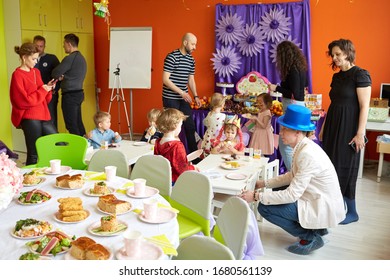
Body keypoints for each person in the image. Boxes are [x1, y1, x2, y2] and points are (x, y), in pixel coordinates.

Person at [240, 104, 345, 255]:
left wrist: (256, 196)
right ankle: (317, 229)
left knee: (265, 207)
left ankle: (310, 236)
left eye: (284, 129)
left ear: (297, 132)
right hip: (319, 199)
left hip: (320, 203)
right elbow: (292, 175)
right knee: (273, 195)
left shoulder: (306, 154)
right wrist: (264, 183)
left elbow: (292, 195)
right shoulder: (304, 146)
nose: (280, 133)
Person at [320, 39, 371, 225]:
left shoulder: (361, 74)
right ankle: (337, 207)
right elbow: (333, 103)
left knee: (347, 167)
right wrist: (324, 127)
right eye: (332, 55)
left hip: (349, 127)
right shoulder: (337, 77)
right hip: (333, 125)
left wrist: (360, 133)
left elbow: (365, 106)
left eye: (338, 54)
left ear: (348, 53)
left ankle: (353, 211)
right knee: (331, 166)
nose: (334, 58)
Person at [9, 42, 57, 165]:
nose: (36, 61)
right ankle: (29, 181)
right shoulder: (17, 75)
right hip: (29, 117)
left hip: (43, 114)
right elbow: (23, 101)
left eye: (37, 58)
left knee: (58, 143)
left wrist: (48, 88)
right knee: (34, 153)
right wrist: (43, 90)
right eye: (33, 59)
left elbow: (44, 98)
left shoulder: (36, 72)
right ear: (24, 57)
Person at [268, 41, 308, 171]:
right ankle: (295, 174)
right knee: (291, 143)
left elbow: (294, 93)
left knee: (285, 143)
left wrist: (277, 88)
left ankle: (294, 174)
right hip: (296, 106)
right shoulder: (299, 67)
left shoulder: (293, 70)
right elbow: (302, 87)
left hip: (293, 106)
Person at [162, 32, 201, 157]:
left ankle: (194, 158)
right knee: (171, 128)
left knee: (190, 127)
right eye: (193, 44)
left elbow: (191, 79)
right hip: (170, 98)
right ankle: (169, 156)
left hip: (183, 98)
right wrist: (182, 92)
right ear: (185, 43)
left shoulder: (191, 60)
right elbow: (165, 79)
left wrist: (195, 96)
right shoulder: (172, 57)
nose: (195, 47)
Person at [52, 33, 87, 136]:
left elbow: (55, 73)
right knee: (78, 122)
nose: (63, 46)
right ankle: (85, 145)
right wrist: (64, 76)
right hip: (79, 93)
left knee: (71, 124)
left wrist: (62, 76)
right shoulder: (82, 58)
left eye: (64, 43)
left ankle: (77, 147)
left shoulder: (70, 58)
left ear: (69, 44)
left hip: (70, 95)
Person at [154, 108, 197, 183]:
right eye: (180, 126)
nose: (180, 129)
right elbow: (182, 171)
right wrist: (192, 168)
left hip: (162, 179)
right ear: (175, 126)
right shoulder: (177, 146)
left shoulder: (158, 142)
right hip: (175, 182)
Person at [33, 35, 60, 130]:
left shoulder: (52, 58)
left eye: (41, 46)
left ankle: (54, 143)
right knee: (37, 121)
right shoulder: (30, 59)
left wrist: (55, 90)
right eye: (37, 46)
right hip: (35, 96)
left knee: (51, 120)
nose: (39, 48)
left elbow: (59, 76)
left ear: (44, 46)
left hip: (50, 94)